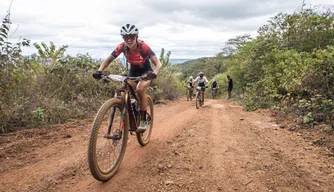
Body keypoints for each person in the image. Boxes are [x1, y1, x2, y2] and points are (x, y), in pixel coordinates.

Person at [92, 24, 162, 132]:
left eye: (132, 37)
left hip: (146, 71)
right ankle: (131, 111)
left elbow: (158, 64)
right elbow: (109, 59)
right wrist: (99, 70)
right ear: (123, 38)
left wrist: (155, 73)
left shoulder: (143, 47)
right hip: (133, 70)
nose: (129, 40)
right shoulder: (122, 47)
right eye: (126, 38)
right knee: (123, 92)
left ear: (136, 37)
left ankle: (143, 120)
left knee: (140, 89)